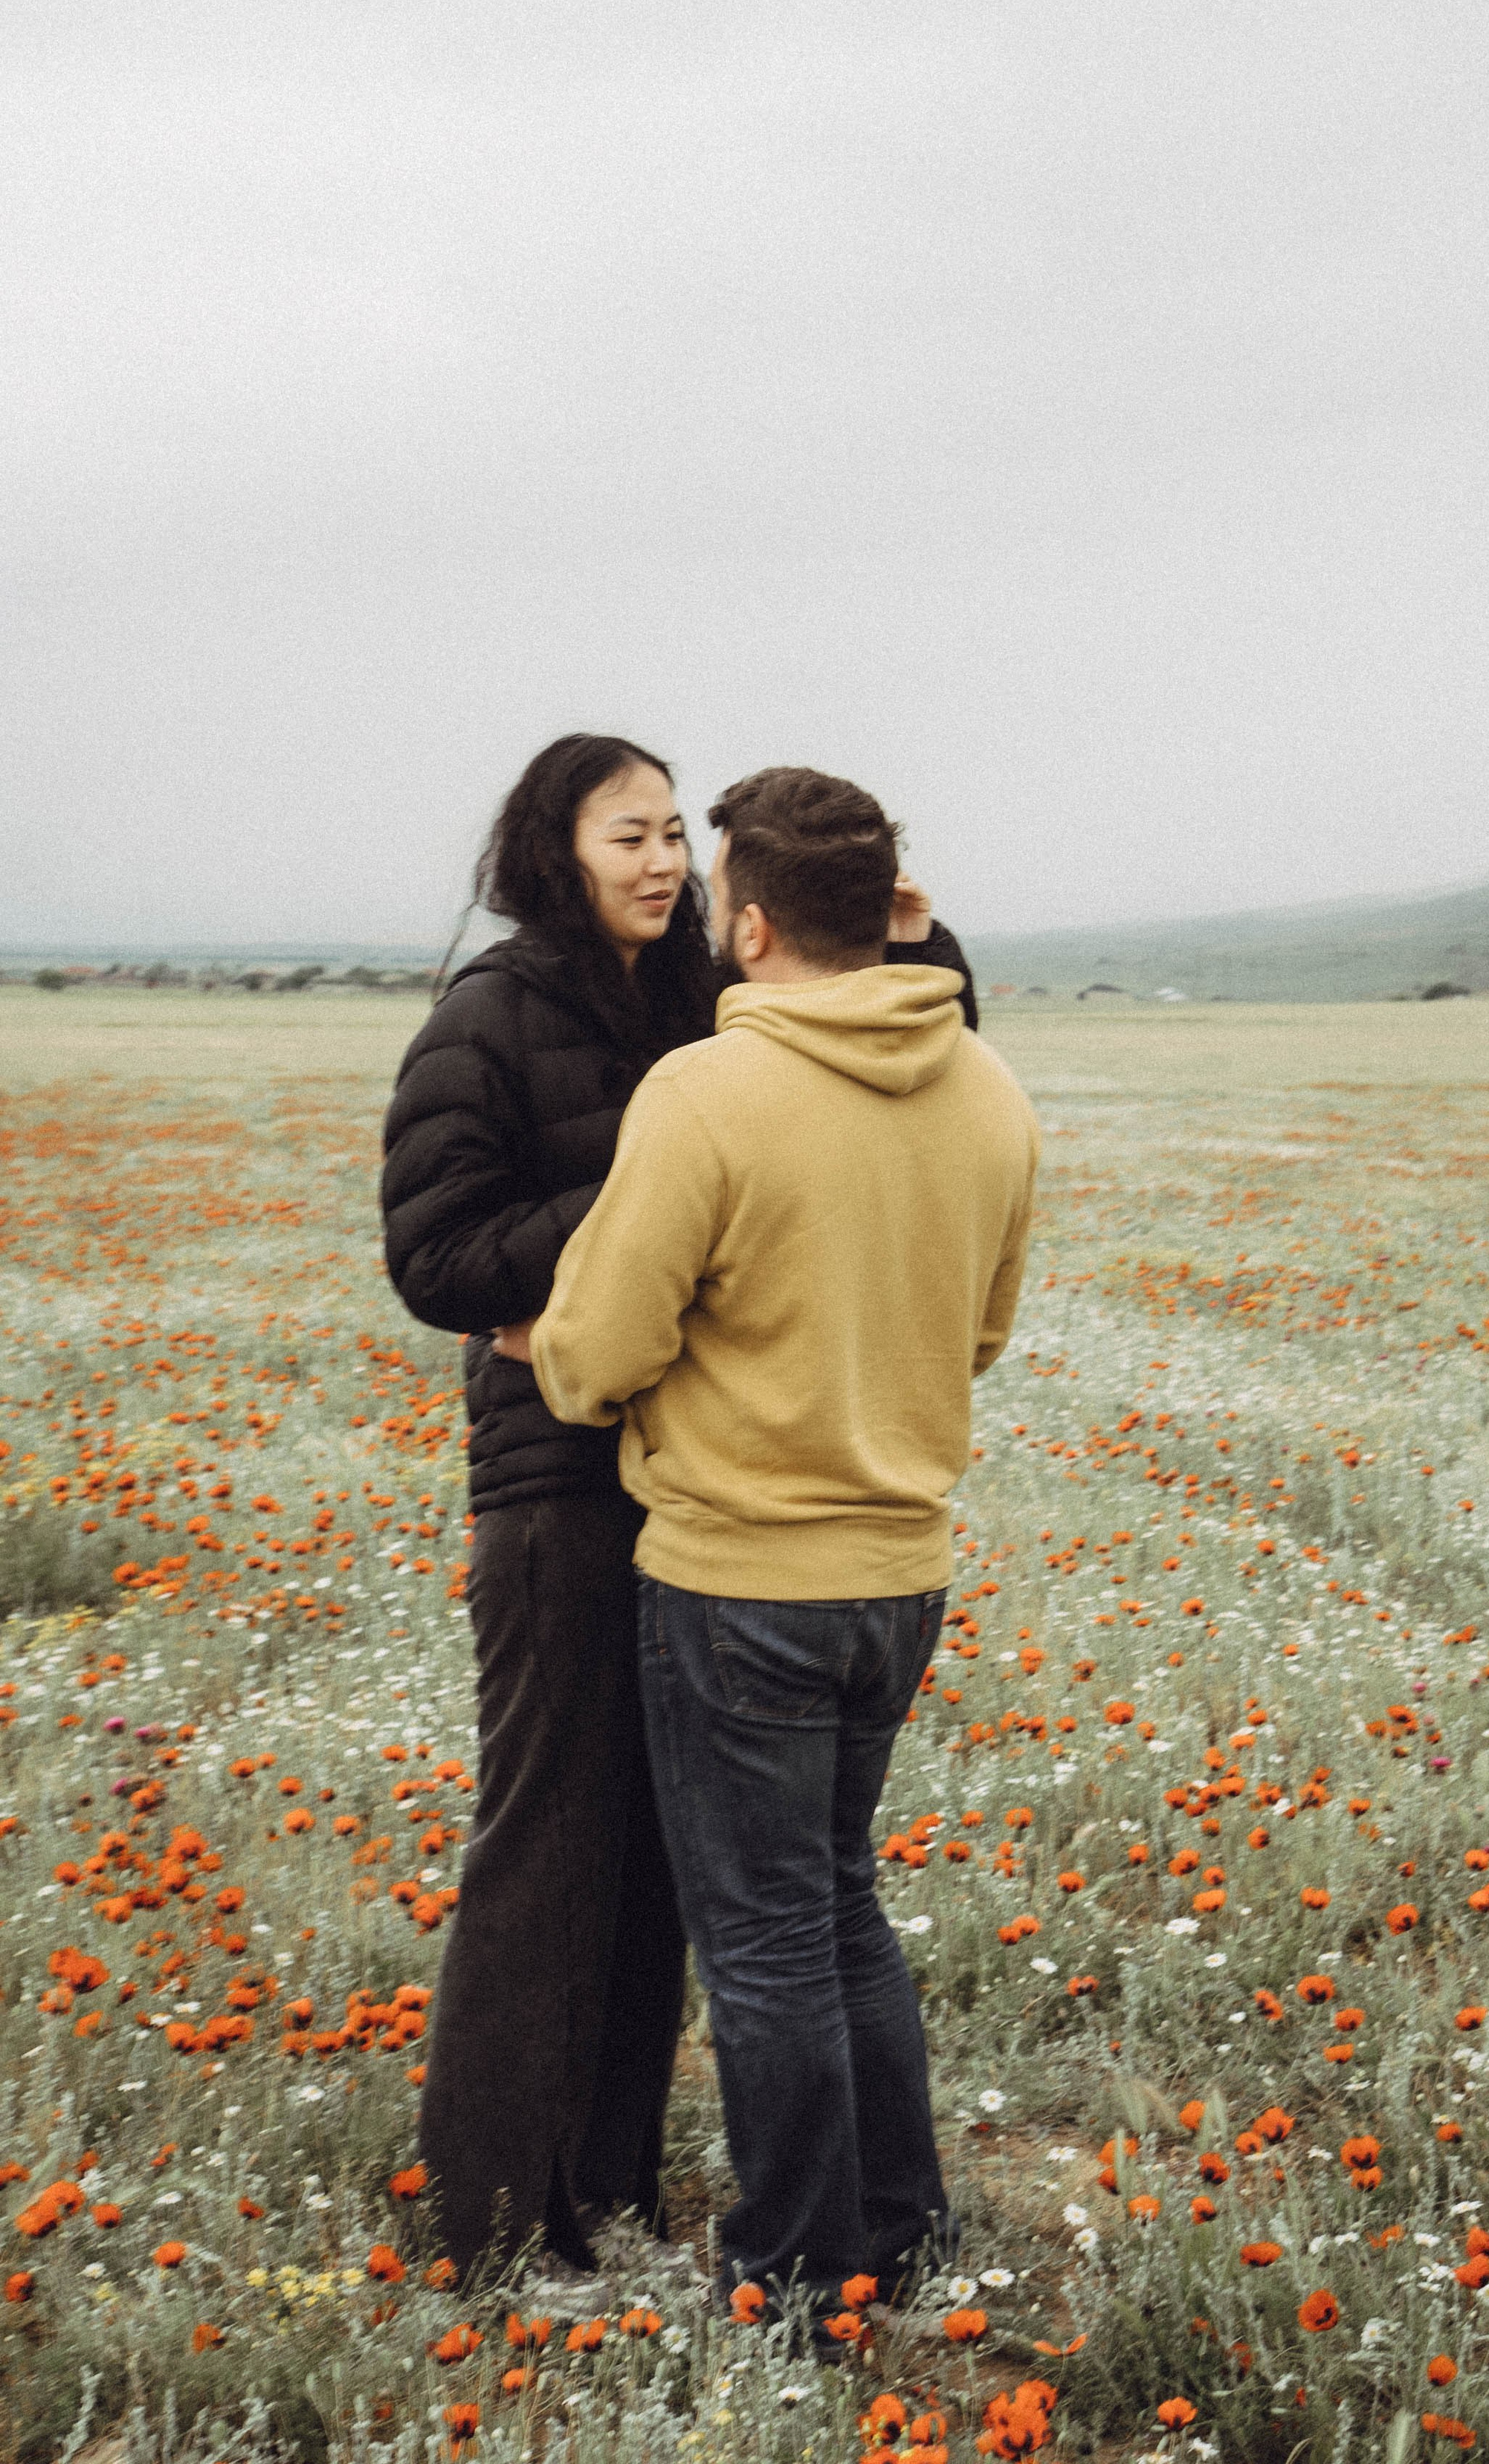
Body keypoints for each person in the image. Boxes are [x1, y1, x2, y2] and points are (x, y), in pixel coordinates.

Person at [380, 735, 974, 2282]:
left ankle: (612, 2187)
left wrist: (918, 946)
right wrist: (659, 1208)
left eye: (670, 838)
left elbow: (875, 1073)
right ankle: (500, 2220)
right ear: (552, 852)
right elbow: (436, 1258)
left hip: (695, 1472)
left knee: (659, 1862)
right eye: (625, 837)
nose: (658, 865)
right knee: (548, 1844)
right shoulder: (491, 1014)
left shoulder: (705, 1001)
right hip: (558, 1470)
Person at [531, 766, 1039, 2323]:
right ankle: (899, 2227)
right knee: (837, 1906)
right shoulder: (990, 1091)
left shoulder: (706, 1093)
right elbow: (982, 1335)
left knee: (761, 1944)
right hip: (901, 1573)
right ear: (883, 909)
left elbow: (598, 1353)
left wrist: (563, 1351)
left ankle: (801, 2277)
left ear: (747, 926)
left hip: (738, 1576)